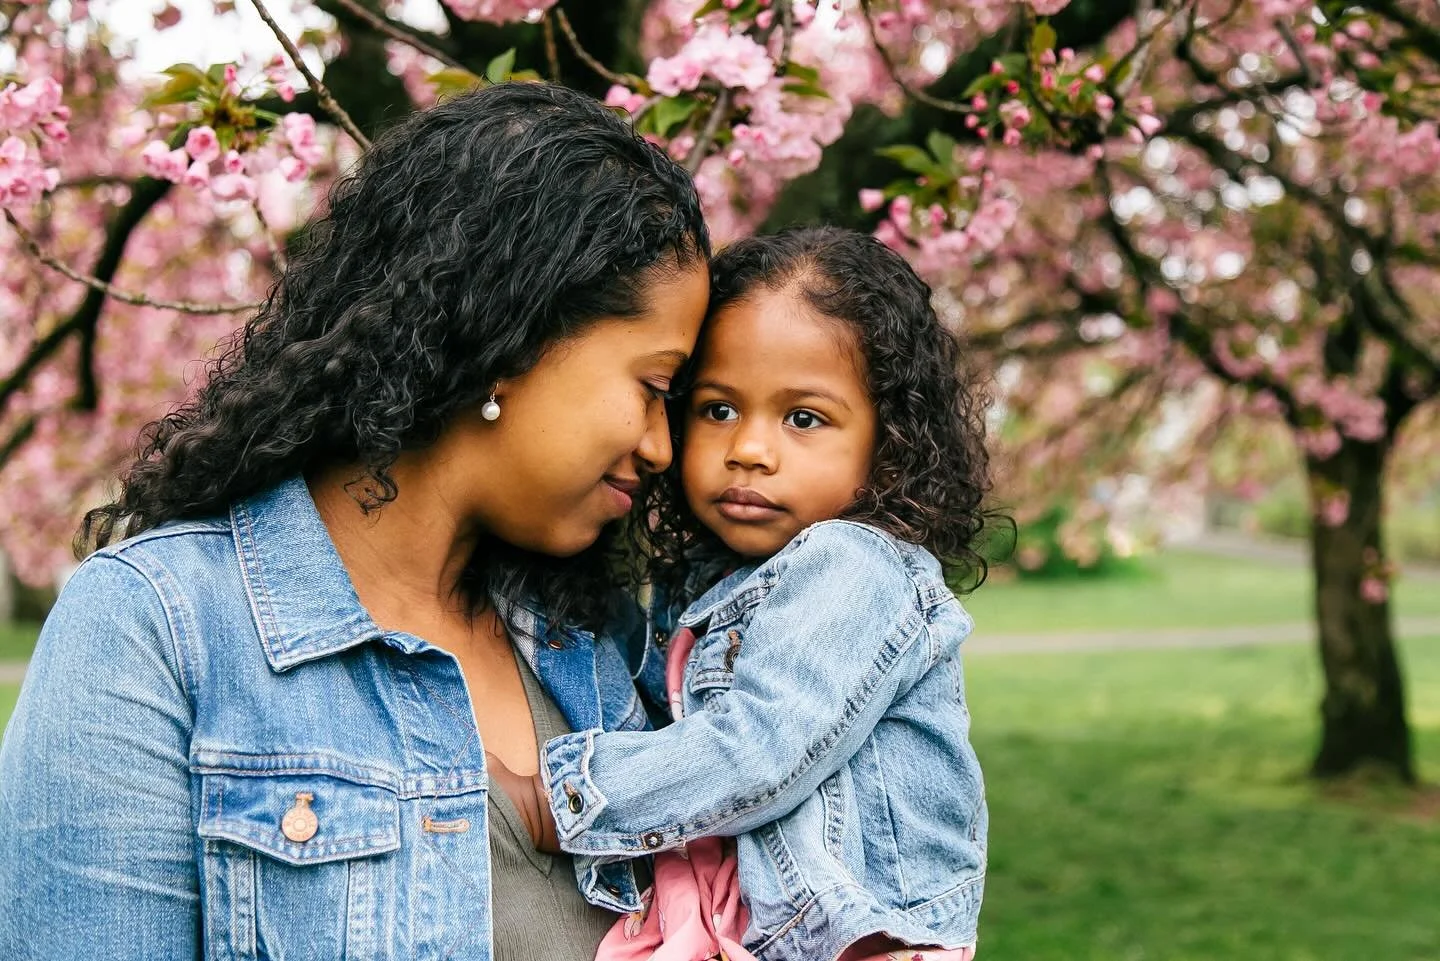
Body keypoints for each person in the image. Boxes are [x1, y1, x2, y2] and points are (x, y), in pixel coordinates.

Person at [0, 82, 710, 961]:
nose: (661, 445)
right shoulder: (157, 635)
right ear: (513, 334)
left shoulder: (612, 652)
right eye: (652, 387)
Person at [537, 227, 993, 961]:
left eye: (802, 418)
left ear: (889, 443)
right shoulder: (716, 585)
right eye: (718, 409)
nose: (749, 447)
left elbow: (758, 749)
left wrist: (572, 794)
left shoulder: (854, 565)